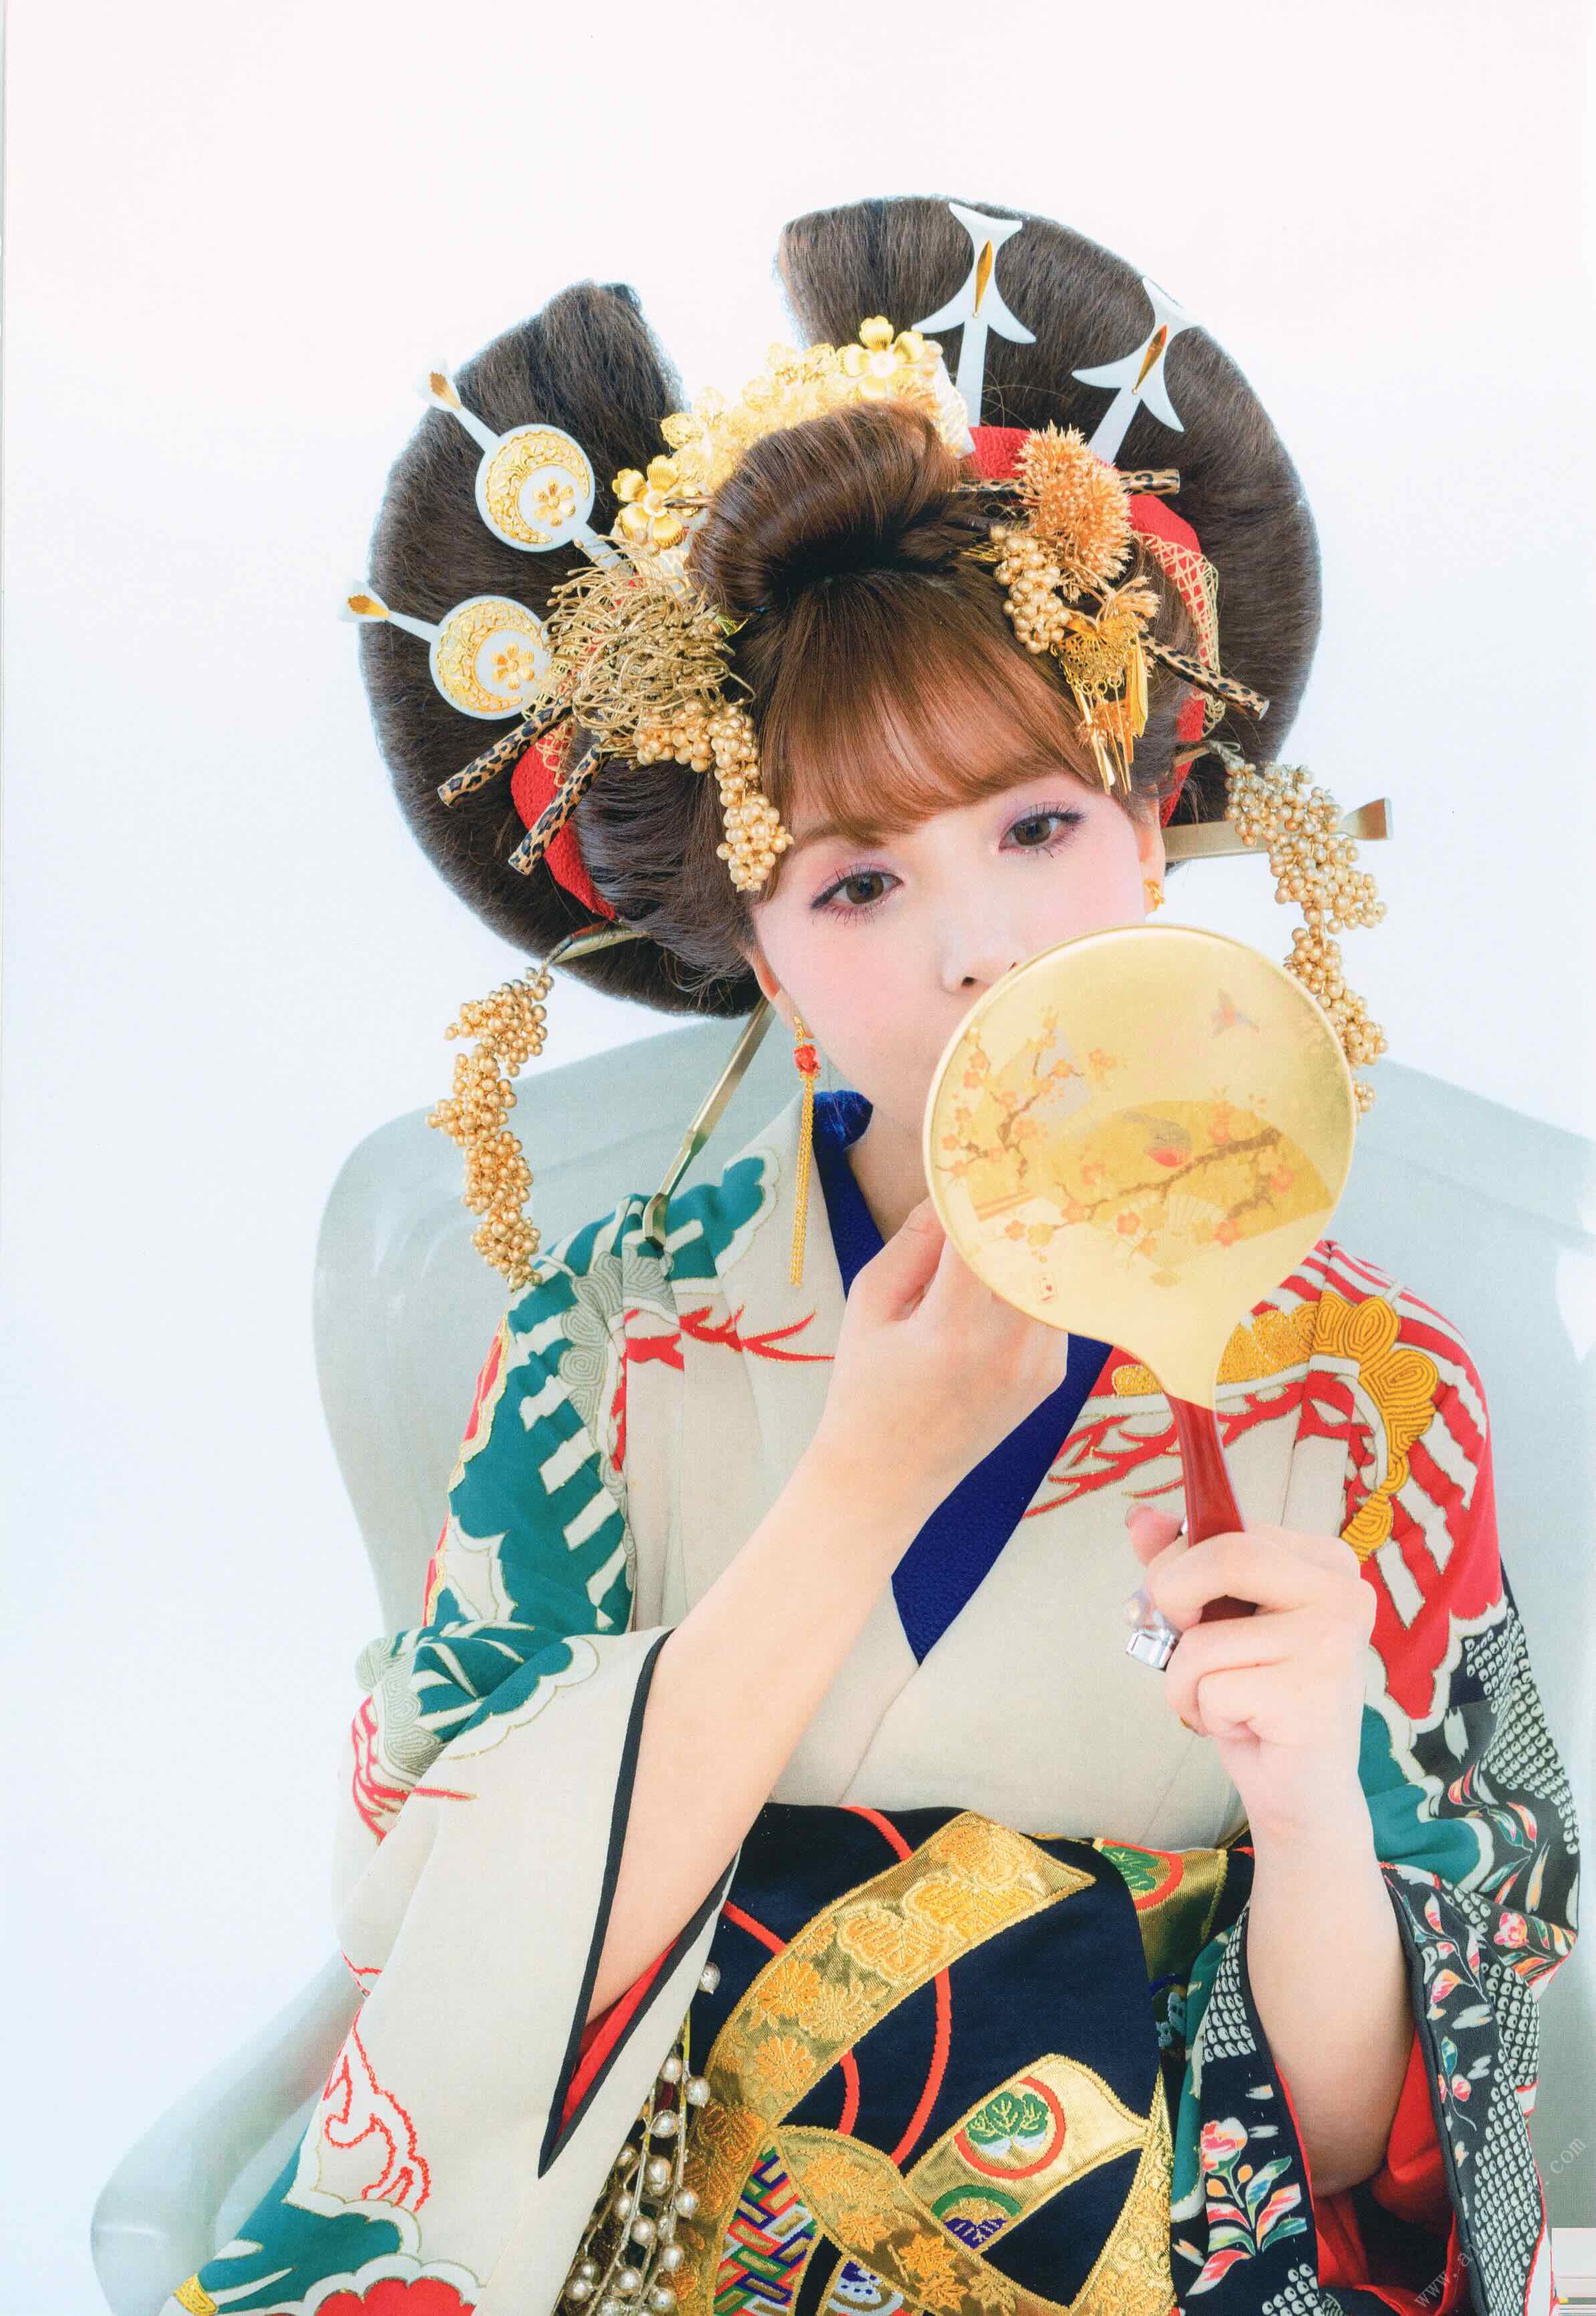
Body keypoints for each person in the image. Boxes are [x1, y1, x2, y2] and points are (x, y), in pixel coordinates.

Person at [164, 195, 1578, 2316]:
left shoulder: (1370, 1404)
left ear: (1152, 825)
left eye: (1036, 826)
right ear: (756, 951)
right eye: (855, 884)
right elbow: (432, 1935)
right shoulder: (612, 1348)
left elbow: (1413, 2147)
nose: (977, 947)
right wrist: (855, 1485)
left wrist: (1301, 1808)